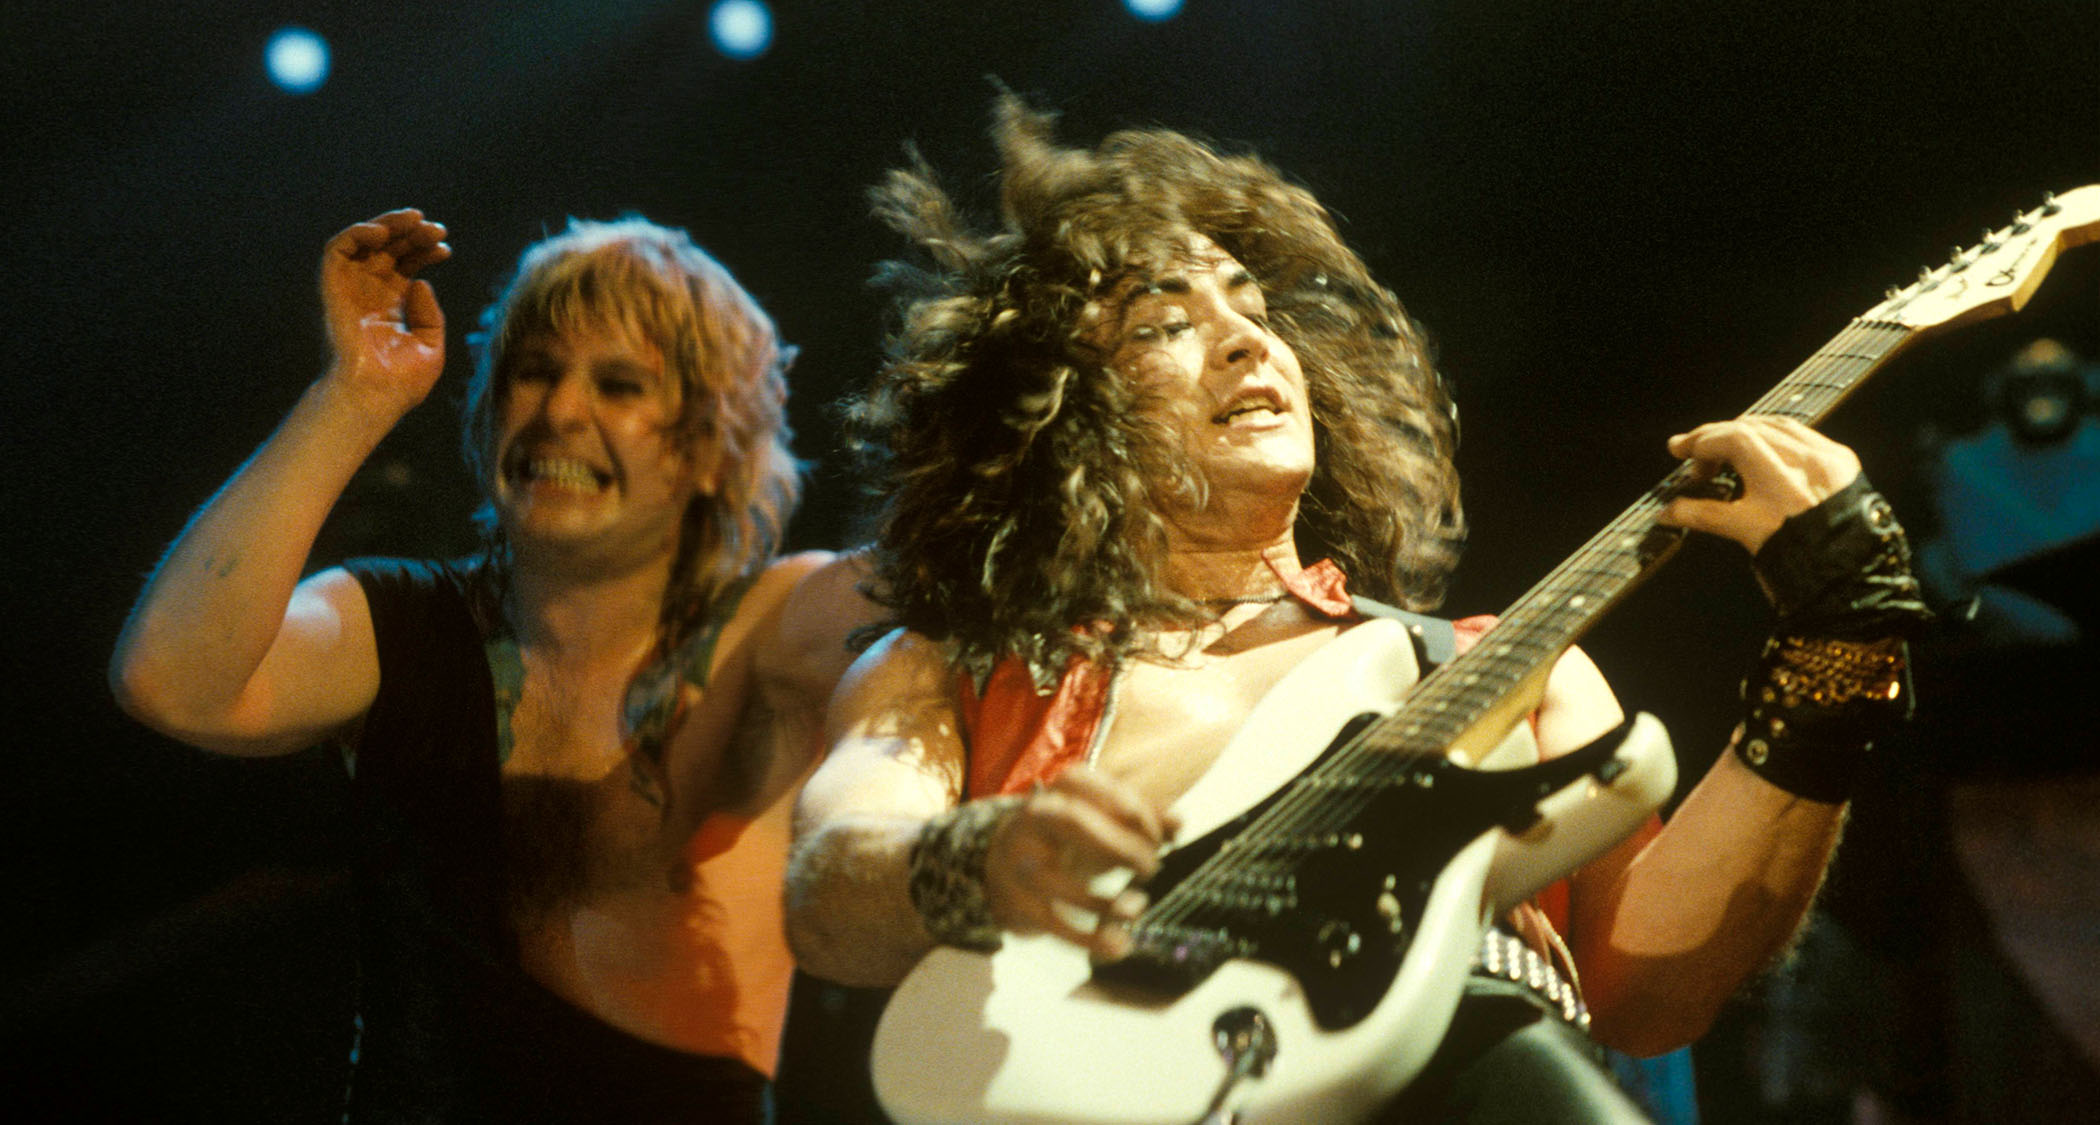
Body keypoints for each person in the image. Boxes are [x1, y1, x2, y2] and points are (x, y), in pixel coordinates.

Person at [780, 98, 1931, 1122]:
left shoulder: (1493, 669)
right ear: (1053, 417)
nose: (1244, 335)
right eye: (1163, 324)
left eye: (1250, 305)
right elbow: (834, 880)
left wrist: (1837, 650)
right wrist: (986, 857)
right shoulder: (952, 672)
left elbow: (1653, 993)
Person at [111, 209, 878, 1123]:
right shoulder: (397, 619)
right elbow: (170, 678)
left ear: (711, 444)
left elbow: (967, 584)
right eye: (535, 371)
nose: (559, 411)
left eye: (620, 385)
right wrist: (354, 393)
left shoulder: (774, 619)